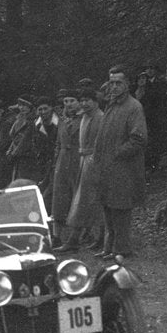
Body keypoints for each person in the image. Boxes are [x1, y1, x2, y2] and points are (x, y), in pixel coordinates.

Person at [93, 67, 147, 259]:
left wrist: (117, 153)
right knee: (108, 206)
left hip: (124, 168)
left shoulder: (134, 107)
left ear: (127, 84)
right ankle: (109, 248)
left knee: (120, 209)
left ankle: (121, 249)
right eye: (111, 83)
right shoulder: (112, 105)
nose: (114, 87)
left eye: (118, 83)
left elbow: (138, 139)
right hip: (107, 167)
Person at [66, 88, 105, 251]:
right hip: (83, 160)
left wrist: (95, 161)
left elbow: (102, 143)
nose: (84, 103)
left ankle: (99, 237)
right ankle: (77, 237)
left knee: (93, 200)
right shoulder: (84, 117)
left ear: (95, 102)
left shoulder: (100, 117)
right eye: (82, 100)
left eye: (87, 100)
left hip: (94, 161)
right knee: (81, 199)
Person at [50, 91, 81, 250]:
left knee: (77, 196)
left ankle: (74, 237)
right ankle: (56, 236)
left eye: (72, 100)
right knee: (59, 197)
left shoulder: (84, 119)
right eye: (66, 101)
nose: (68, 104)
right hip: (62, 161)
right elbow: (57, 142)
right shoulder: (61, 120)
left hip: (78, 159)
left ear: (79, 102)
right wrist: (56, 160)